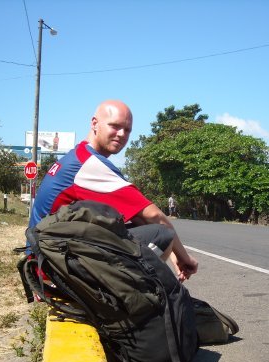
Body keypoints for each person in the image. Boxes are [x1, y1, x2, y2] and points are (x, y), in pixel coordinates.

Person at [29, 99, 198, 282]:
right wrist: (185, 258)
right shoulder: (89, 165)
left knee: (137, 229)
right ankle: (146, 302)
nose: (122, 134)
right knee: (161, 233)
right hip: (52, 269)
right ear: (95, 123)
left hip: (46, 258)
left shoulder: (79, 156)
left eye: (127, 129)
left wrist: (173, 253)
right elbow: (155, 217)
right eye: (115, 126)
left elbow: (138, 217)